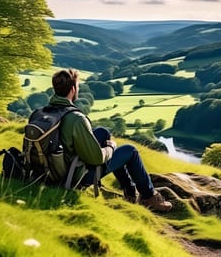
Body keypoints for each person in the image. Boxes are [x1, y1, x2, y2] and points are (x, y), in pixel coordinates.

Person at [49, 68, 172, 212]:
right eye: (77, 87)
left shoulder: (45, 111)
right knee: (130, 151)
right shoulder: (76, 119)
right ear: (73, 89)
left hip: (53, 169)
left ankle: (130, 191)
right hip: (75, 177)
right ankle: (148, 197)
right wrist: (111, 148)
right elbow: (96, 158)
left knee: (103, 132)